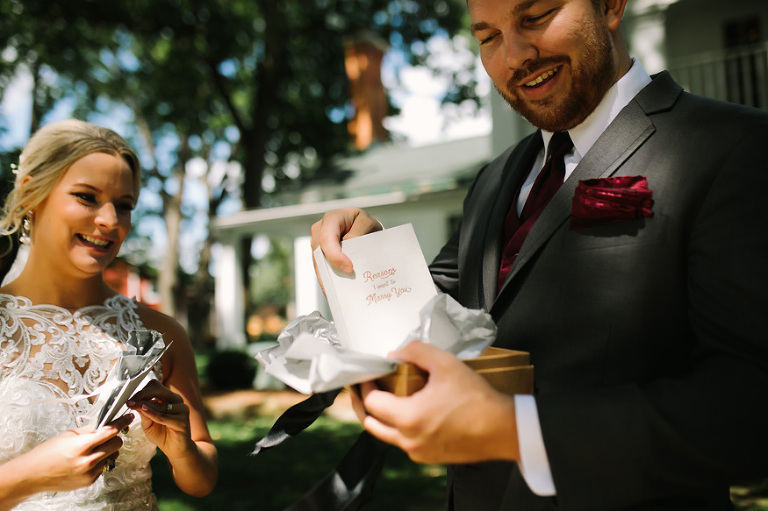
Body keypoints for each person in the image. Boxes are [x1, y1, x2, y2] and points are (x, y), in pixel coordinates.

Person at [310, 0, 768, 509]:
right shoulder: (493, 179)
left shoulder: (735, 148)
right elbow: (437, 305)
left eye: (536, 17)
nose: (514, 56)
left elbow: (749, 406)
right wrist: (371, 252)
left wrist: (515, 429)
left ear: (611, 6)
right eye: (488, 37)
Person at [0, 119, 217, 510]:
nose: (110, 222)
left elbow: (202, 481)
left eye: (124, 206)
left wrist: (182, 446)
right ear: (32, 191)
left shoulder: (160, 332)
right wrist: (31, 476)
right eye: (86, 197)